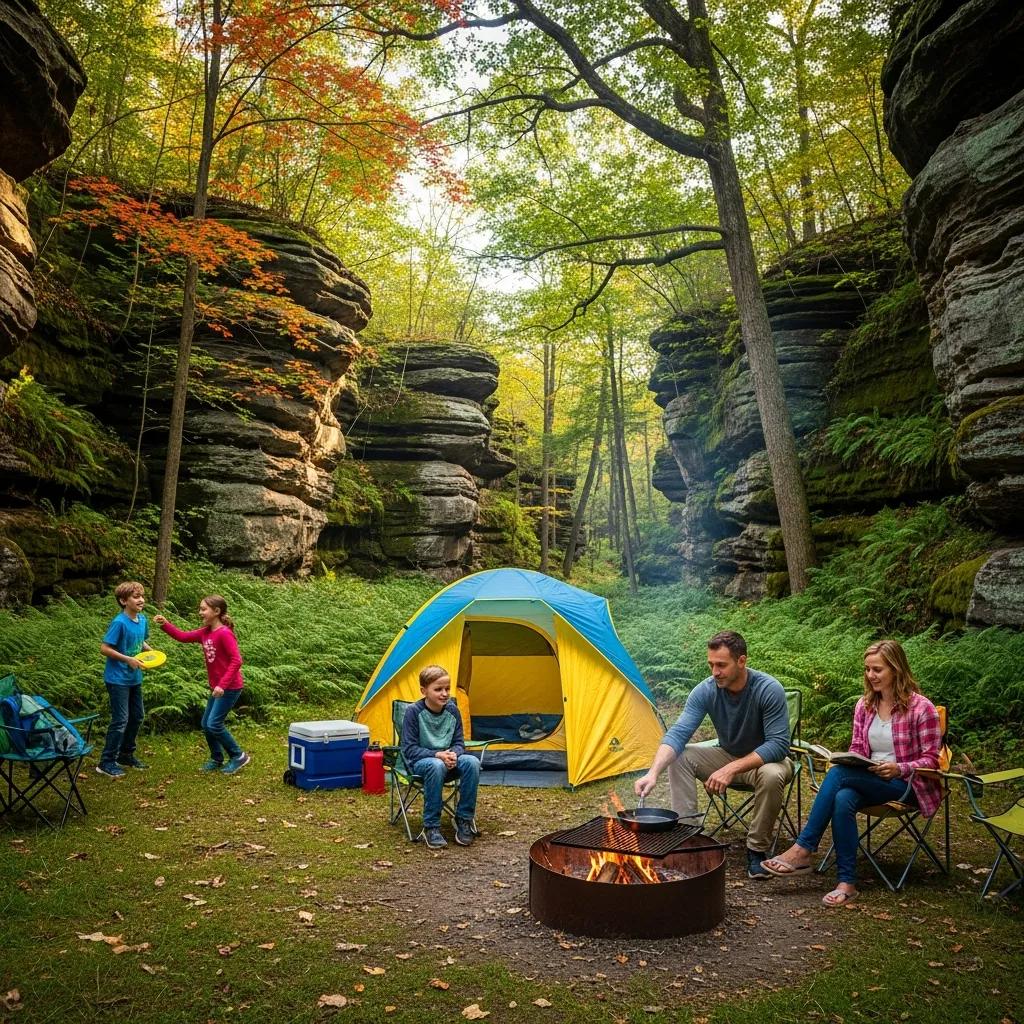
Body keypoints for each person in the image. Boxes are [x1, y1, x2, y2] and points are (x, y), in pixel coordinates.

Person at [762, 639, 942, 906]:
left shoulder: (921, 708)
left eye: (877, 669)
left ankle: (803, 848)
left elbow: (932, 761)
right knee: (843, 797)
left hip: (906, 785)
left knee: (838, 776)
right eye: (867, 669)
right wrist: (854, 759)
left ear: (896, 669)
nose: (871, 675)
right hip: (869, 779)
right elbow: (858, 747)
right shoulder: (865, 705)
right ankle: (847, 883)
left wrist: (899, 768)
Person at [635, 630, 792, 879]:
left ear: (741, 661)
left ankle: (757, 850)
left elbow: (779, 744)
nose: (715, 672)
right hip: (727, 755)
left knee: (772, 775)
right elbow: (678, 734)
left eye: (721, 665)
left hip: (766, 762)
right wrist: (653, 773)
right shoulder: (706, 690)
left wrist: (730, 769)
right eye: (711, 665)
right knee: (680, 756)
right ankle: (687, 838)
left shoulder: (768, 689)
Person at [153, 595, 250, 775]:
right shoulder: (205, 632)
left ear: (217, 611)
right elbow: (183, 637)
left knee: (214, 724)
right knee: (206, 723)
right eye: (200, 608)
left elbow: (236, 660)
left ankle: (238, 755)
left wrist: (222, 685)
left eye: (204, 609)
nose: (200, 612)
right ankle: (217, 758)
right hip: (217, 687)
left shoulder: (224, 633)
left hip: (229, 687)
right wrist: (165, 624)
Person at [401, 664, 480, 850]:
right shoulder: (413, 712)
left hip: (448, 761)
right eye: (438, 689)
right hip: (421, 764)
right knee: (436, 765)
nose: (444, 694)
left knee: (472, 762)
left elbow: (459, 743)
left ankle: (463, 819)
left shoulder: (453, 710)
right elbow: (409, 749)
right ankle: (431, 826)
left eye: (447, 689)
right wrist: (437, 755)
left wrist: (454, 754)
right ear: (424, 691)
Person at [97, 580, 153, 778]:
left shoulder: (142, 620)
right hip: (117, 678)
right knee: (121, 719)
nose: (141, 600)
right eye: (136, 597)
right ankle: (106, 762)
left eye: (142, 596)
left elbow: (141, 642)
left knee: (137, 716)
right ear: (123, 601)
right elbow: (105, 648)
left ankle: (126, 755)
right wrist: (128, 659)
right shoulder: (119, 622)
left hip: (134, 677)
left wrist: (152, 653)